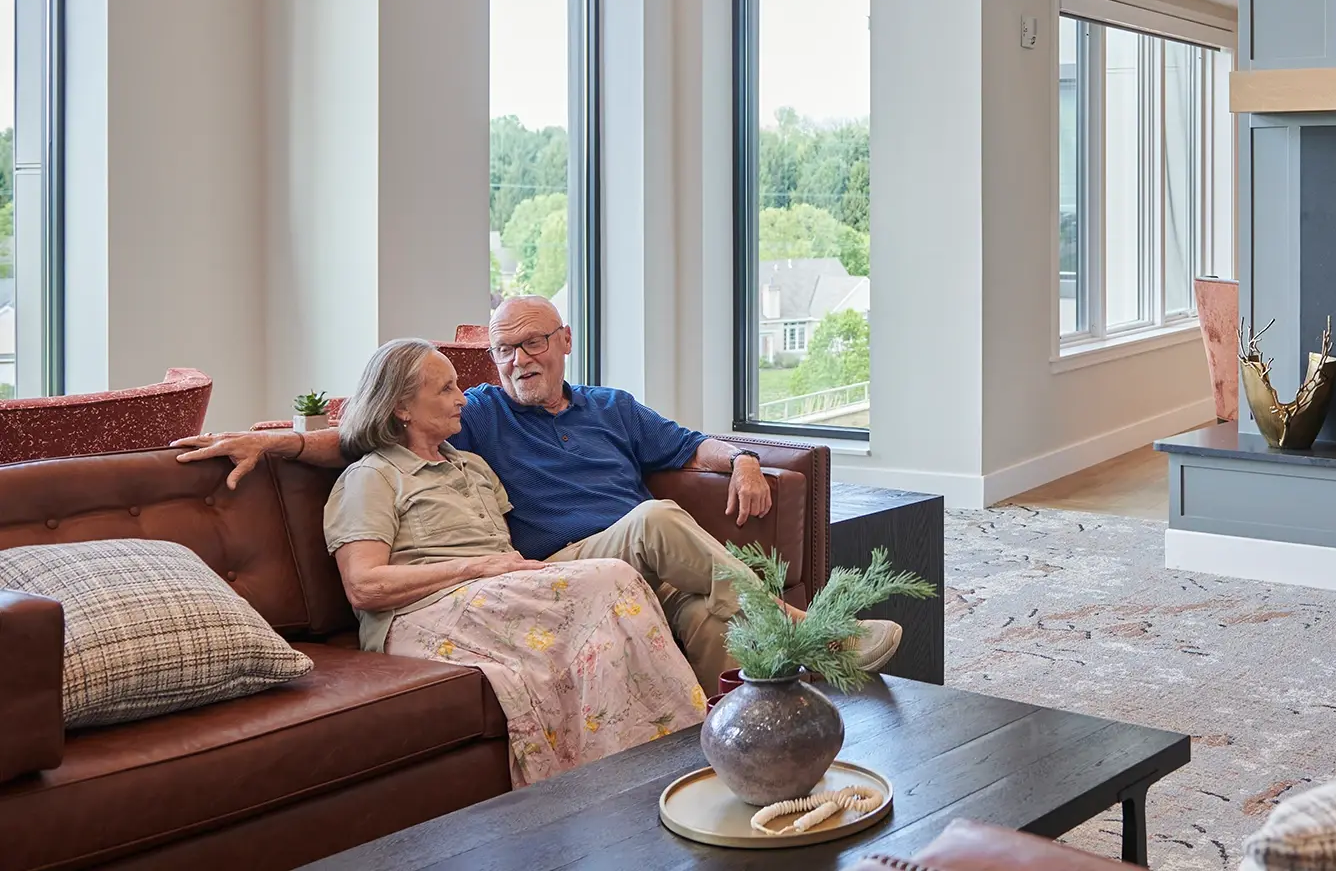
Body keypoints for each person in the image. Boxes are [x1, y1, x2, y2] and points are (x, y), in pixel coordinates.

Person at [176, 296, 900, 693]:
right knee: (655, 518)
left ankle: (737, 748)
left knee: (704, 608)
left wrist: (742, 456)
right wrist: (274, 441)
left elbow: (688, 446)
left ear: (564, 342)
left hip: (643, 562)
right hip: (568, 561)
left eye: (532, 343)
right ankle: (813, 631)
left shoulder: (611, 407)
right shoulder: (482, 414)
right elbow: (366, 435)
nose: (518, 360)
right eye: (503, 349)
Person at [324, 338, 704, 787]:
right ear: (402, 407)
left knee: (606, 627)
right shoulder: (371, 476)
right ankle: (677, 759)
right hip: (422, 613)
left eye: (458, 388)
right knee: (614, 579)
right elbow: (364, 585)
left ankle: (640, 771)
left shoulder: (473, 468)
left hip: (496, 595)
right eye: (445, 390)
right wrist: (474, 567)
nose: (461, 399)